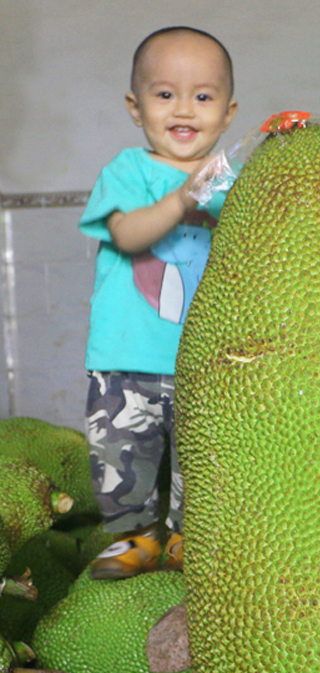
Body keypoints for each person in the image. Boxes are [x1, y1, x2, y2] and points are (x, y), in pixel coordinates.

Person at [79, 26, 238, 578]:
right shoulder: (127, 170)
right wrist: (182, 198)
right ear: (135, 106)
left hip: (210, 360)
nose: (184, 109)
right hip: (127, 355)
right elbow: (127, 235)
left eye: (203, 96)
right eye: (164, 94)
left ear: (228, 113)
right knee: (123, 454)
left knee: (206, 461)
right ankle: (135, 535)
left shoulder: (233, 184)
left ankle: (186, 537)